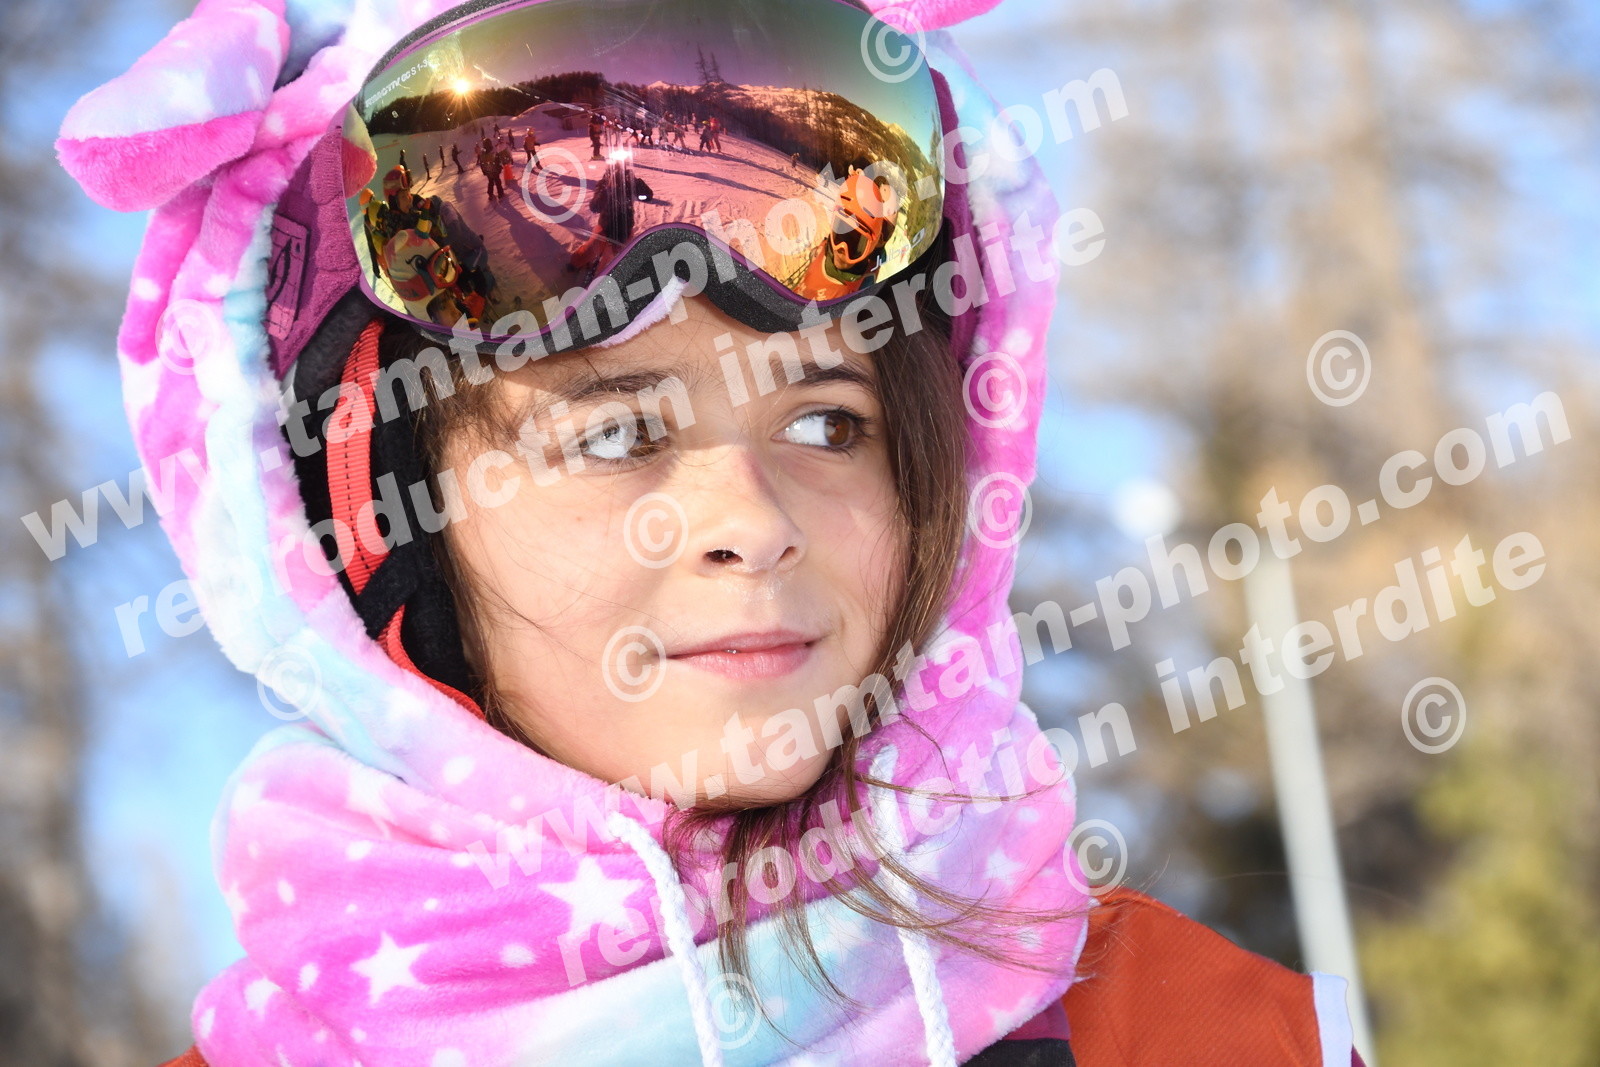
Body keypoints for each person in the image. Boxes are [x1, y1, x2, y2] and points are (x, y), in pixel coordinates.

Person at [55, 1, 1367, 1064]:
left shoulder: (1213, 1038)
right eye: (615, 435)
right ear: (379, 537)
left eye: (829, 423)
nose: (751, 523)